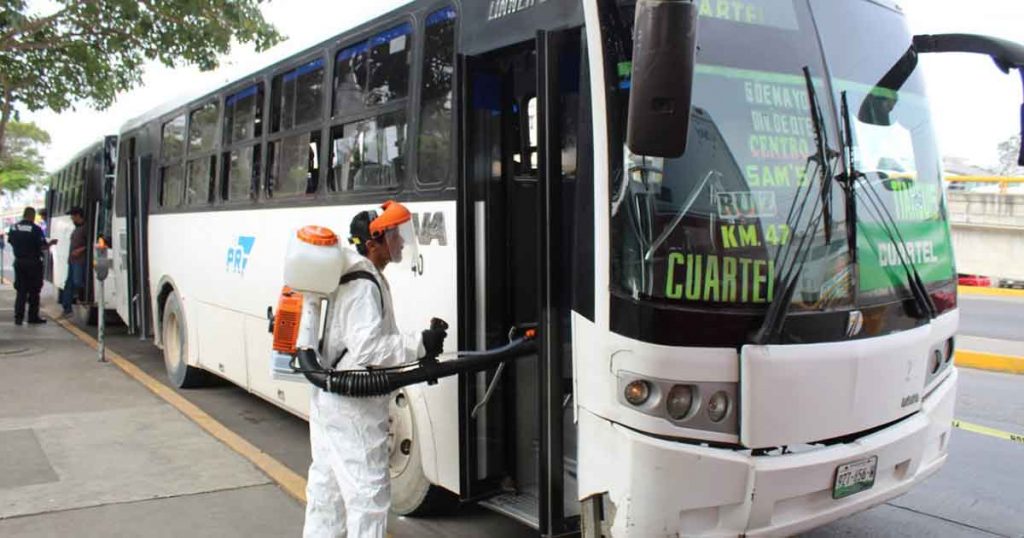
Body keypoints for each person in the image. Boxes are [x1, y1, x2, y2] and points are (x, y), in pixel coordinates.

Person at [303, 200, 447, 538]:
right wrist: (420, 344)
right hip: (353, 409)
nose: (401, 242)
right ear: (373, 244)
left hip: (331, 402)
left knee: (327, 493)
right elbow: (368, 349)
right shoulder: (364, 285)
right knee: (368, 498)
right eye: (395, 236)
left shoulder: (353, 275)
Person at [7, 207, 57, 325]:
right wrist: (51, 243)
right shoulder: (36, 229)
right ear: (32, 216)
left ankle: (18, 318)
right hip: (33, 263)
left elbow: (10, 241)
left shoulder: (14, 227)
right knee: (34, 291)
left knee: (21, 291)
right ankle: (32, 317)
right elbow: (42, 246)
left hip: (19, 262)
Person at [60, 207, 88, 316]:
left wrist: (80, 250)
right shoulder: (77, 228)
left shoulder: (85, 228)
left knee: (77, 282)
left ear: (78, 216)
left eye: (72, 215)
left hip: (80, 260)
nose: (71, 218)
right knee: (69, 284)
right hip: (73, 260)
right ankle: (67, 309)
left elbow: (89, 243)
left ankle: (81, 298)